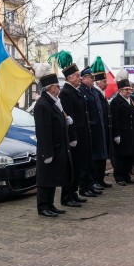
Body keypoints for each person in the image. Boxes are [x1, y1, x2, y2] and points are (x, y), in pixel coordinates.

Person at [52, 50, 95, 203]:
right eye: (77, 75)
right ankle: (67, 196)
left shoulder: (76, 92)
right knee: (72, 167)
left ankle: (74, 193)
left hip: (82, 134)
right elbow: (68, 118)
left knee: (79, 166)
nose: (79, 78)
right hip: (74, 137)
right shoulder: (67, 93)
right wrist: (72, 137)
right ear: (69, 77)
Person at [32, 63, 70, 217]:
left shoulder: (53, 102)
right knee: (45, 179)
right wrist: (47, 153)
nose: (59, 89)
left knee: (53, 178)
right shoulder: (42, 104)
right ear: (49, 88)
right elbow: (43, 131)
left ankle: (51, 204)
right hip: (48, 149)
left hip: (57, 148)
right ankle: (43, 207)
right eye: (56, 86)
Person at [110, 70, 134, 185]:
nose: (129, 91)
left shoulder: (130, 100)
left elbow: (131, 115)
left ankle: (126, 175)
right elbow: (115, 119)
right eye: (126, 89)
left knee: (130, 155)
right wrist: (116, 134)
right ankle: (119, 177)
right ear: (120, 90)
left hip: (131, 132)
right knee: (121, 156)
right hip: (122, 133)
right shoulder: (115, 102)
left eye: (130, 89)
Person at [79, 68, 107, 192]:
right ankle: (92, 182)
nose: (93, 80)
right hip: (91, 129)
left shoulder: (94, 91)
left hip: (98, 128)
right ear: (83, 78)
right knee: (93, 158)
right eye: (91, 78)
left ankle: (98, 180)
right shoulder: (81, 91)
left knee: (101, 156)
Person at [88, 57, 113, 188]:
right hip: (96, 130)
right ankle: (95, 180)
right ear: (97, 82)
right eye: (104, 81)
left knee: (103, 156)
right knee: (97, 157)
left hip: (103, 129)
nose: (106, 83)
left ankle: (100, 178)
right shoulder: (94, 94)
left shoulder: (101, 94)